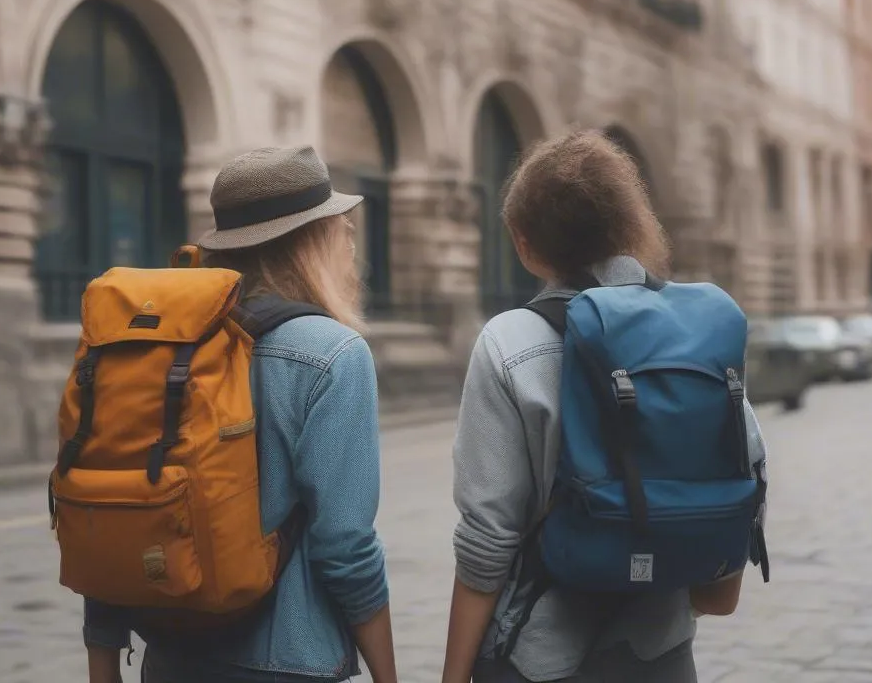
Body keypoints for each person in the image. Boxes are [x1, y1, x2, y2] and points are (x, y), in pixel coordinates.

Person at [442, 129, 767, 683]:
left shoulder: (510, 341)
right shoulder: (693, 330)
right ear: (632, 226)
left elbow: (486, 540)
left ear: (525, 244)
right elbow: (747, 478)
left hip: (536, 656)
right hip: (661, 654)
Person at [84, 145, 398, 683]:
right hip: (288, 661)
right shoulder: (332, 354)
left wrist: (103, 662)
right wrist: (389, 674)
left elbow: (114, 503)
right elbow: (345, 547)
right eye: (341, 229)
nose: (349, 243)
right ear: (313, 240)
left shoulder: (159, 347)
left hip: (171, 656)